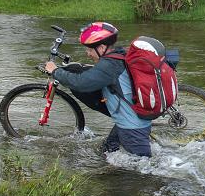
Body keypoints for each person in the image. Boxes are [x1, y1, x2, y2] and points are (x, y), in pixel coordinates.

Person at [44, 22, 153, 157]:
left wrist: (56, 71)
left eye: (90, 49)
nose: (88, 53)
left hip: (131, 126)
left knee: (140, 170)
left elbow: (81, 83)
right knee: (107, 151)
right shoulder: (120, 54)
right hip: (131, 119)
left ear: (101, 48)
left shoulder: (109, 65)